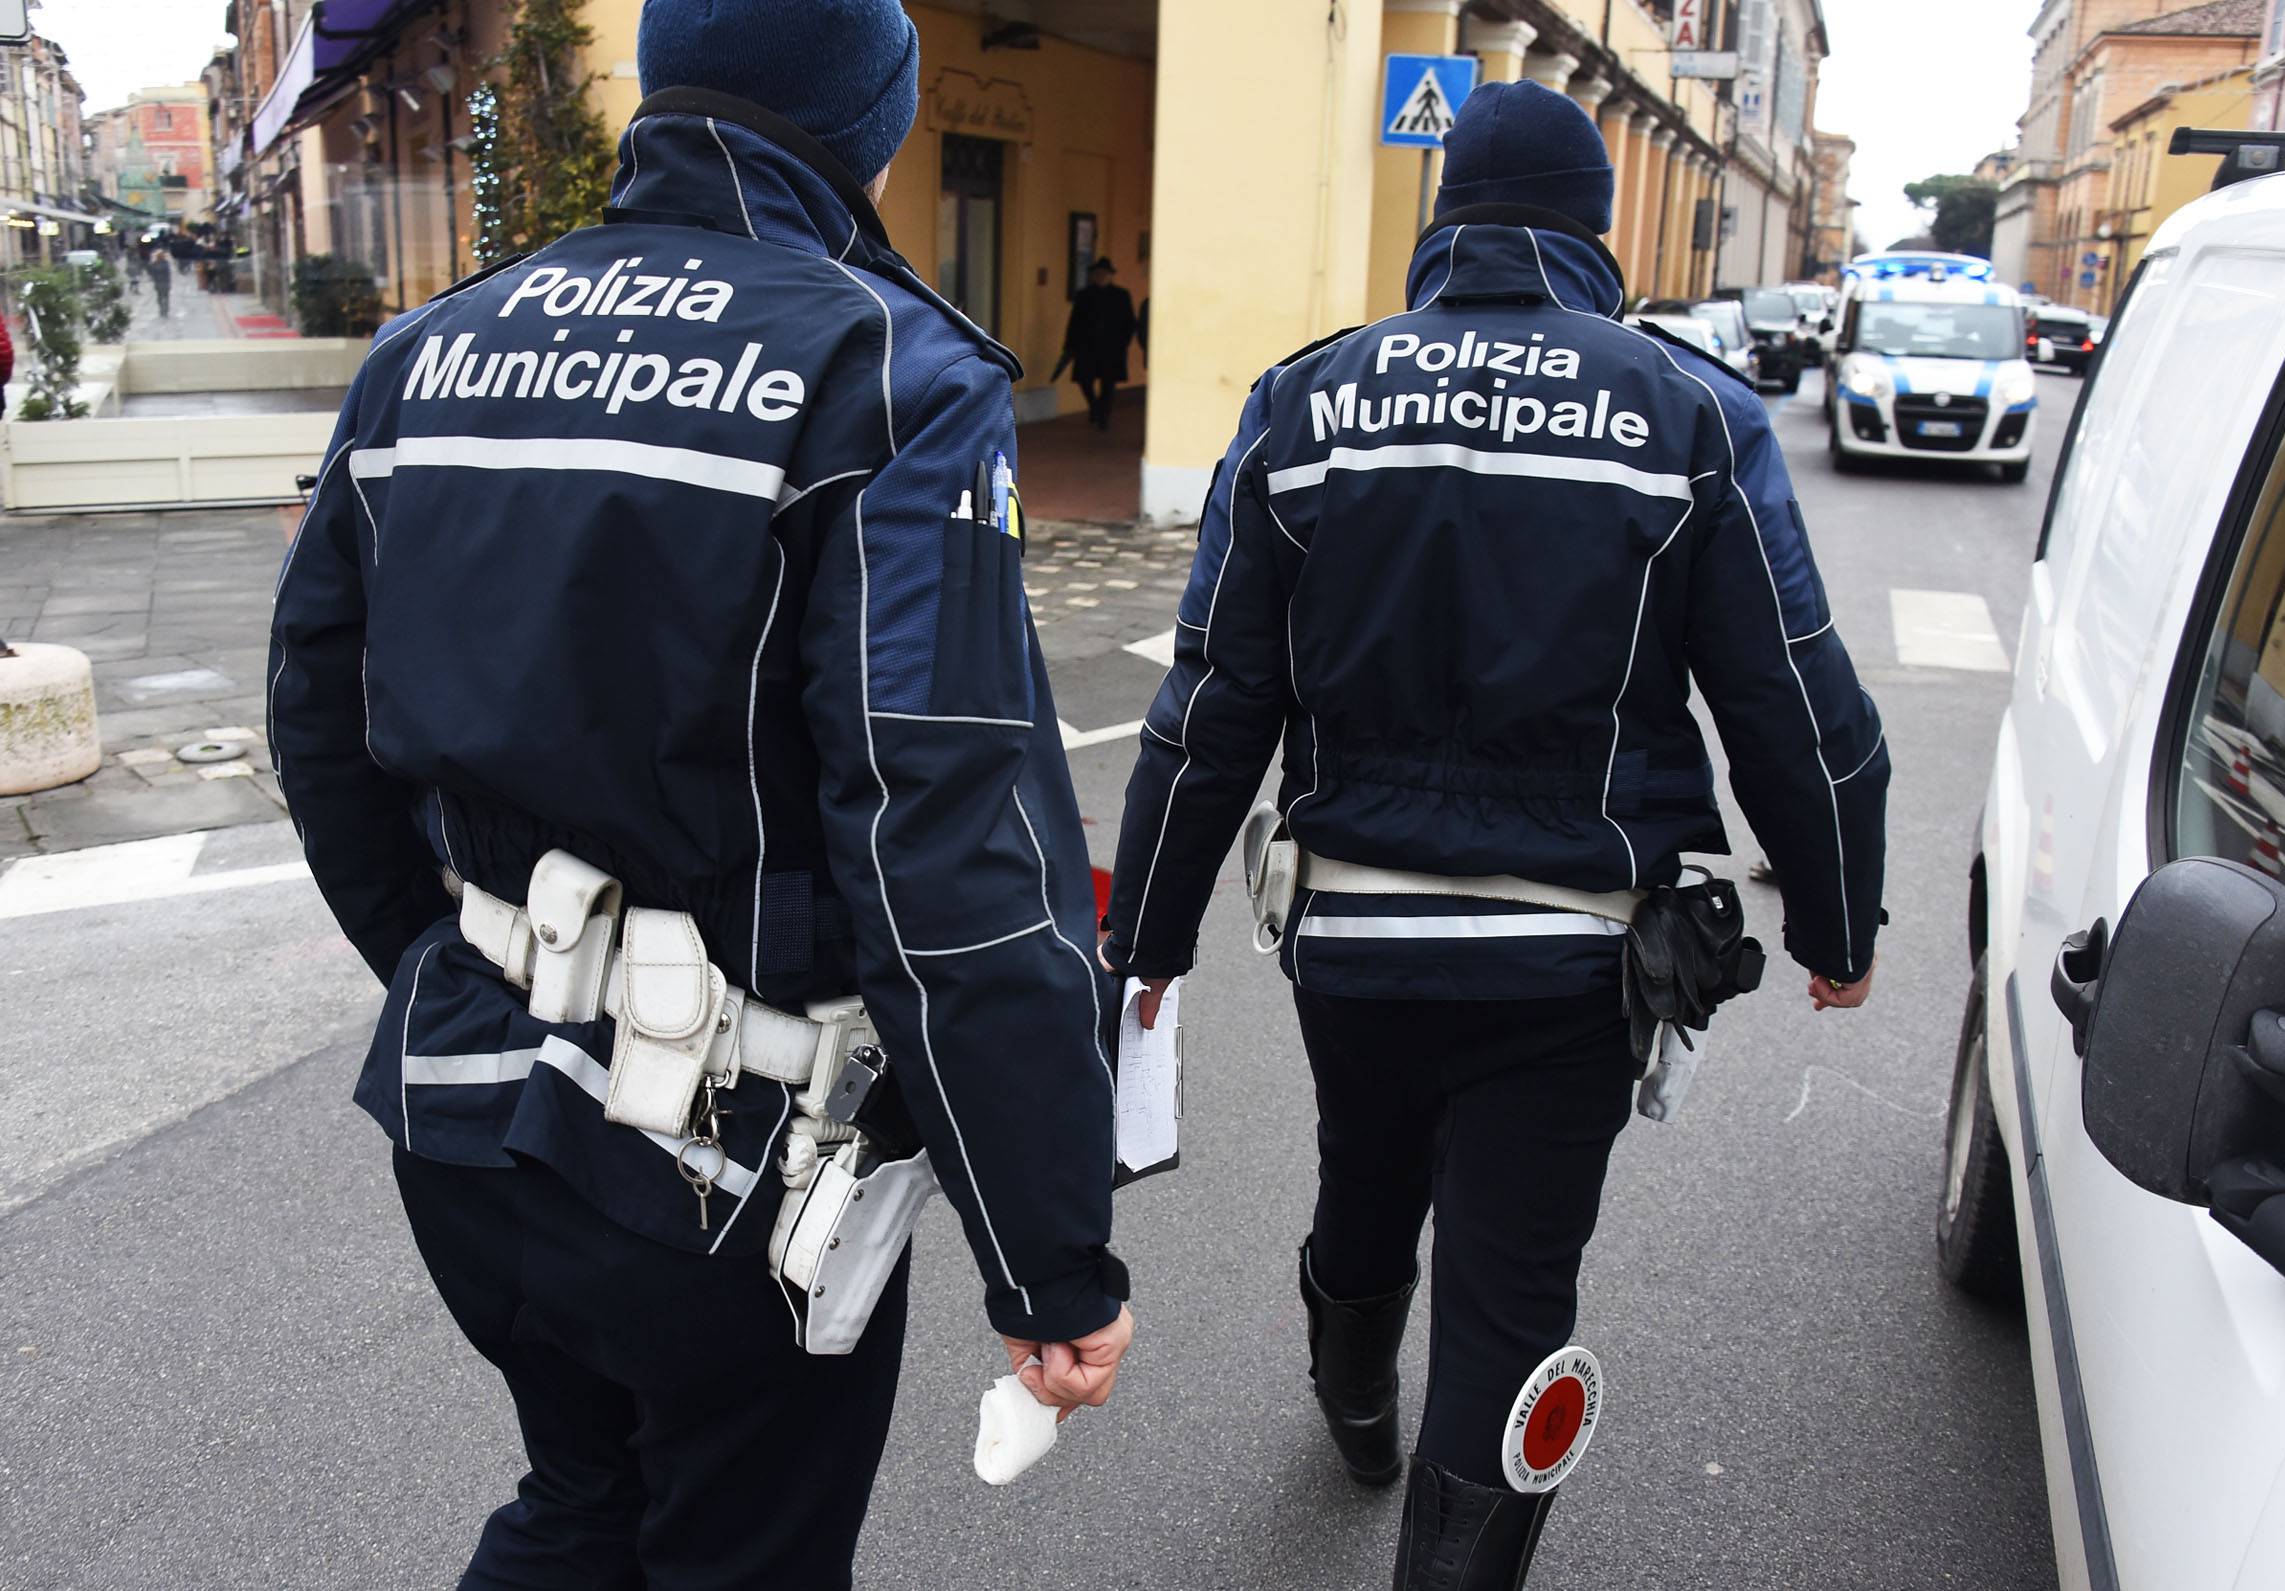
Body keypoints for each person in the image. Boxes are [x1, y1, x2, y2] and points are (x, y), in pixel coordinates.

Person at [268, 3, 1134, 1585]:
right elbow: (943, 846)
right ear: (874, 121)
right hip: (721, 1175)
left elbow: (318, 727)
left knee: (583, 1504)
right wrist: (1047, 1257)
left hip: (463, 1118)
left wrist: (453, 967)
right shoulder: (881, 364)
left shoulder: (427, 351)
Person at [1099, 79, 1888, 1590]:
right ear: (1594, 225)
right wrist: (1836, 922)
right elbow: (1795, 703)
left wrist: (1147, 935)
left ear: (1440, 215)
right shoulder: (1688, 413)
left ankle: (1350, 1392)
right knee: (1512, 1293)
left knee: (1363, 1176)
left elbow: (1211, 700)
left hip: (1354, 944)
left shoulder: (1306, 399)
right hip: (1571, 970)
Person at [1057, 256, 1136, 430]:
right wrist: (1070, 344)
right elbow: (1075, 322)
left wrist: (1123, 342)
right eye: (1098, 274)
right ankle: (1095, 406)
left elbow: (1129, 322)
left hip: (1112, 348)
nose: (1101, 277)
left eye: (1104, 274)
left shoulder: (1121, 296)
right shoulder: (1084, 296)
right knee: (1084, 380)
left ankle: (1103, 416)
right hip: (1087, 347)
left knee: (1108, 384)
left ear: (1110, 276)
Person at [146, 249, 170, 316]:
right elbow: (151, 272)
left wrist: (168, 283)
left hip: (164, 283)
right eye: (159, 256)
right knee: (160, 297)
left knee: (165, 297)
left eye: (161, 255)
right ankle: (161, 308)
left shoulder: (165, 263)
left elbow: (168, 274)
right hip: (158, 283)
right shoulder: (154, 263)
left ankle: (165, 309)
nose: (160, 257)